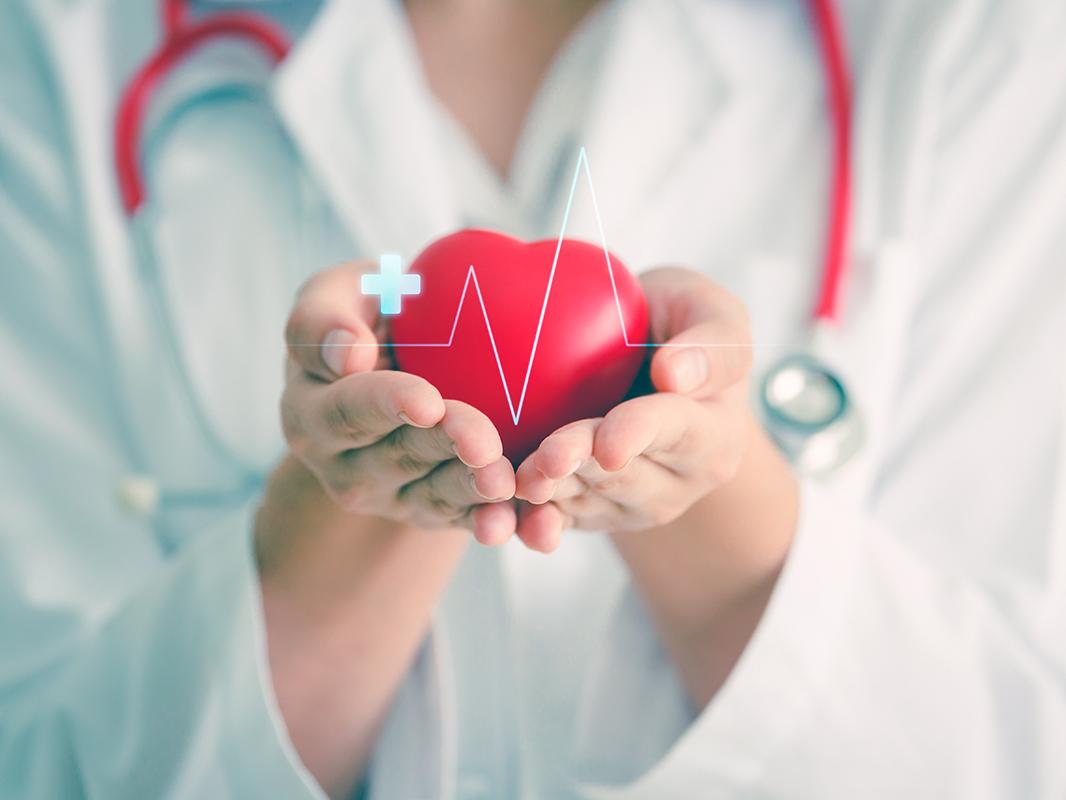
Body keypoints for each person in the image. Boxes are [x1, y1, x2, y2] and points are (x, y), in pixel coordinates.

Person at [1, 0, 1064, 798]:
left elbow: (1012, 750)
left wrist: (713, 494)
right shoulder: (54, 47)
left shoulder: (982, 38)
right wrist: (348, 491)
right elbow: (36, 756)